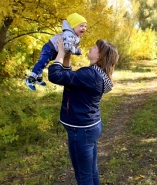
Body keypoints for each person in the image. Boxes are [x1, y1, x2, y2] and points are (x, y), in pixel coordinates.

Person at [48, 37, 119, 185]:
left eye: (95, 47)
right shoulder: (96, 74)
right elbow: (70, 79)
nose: (91, 47)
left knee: (83, 176)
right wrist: (67, 58)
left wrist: (60, 53)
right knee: (91, 171)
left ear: (99, 56)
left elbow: (55, 75)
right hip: (90, 127)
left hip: (81, 131)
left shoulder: (90, 75)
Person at [25, 12, 87, 91]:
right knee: (42, 62)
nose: (84, 28)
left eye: (85, 26)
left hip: (54, 50)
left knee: (44, 63)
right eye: (81, 26)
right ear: (73, 26)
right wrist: (77, 51)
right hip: (49, 48)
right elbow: (67, 48)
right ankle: (30, 79)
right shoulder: (68, 34)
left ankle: (38, 79)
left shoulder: (74, 35)